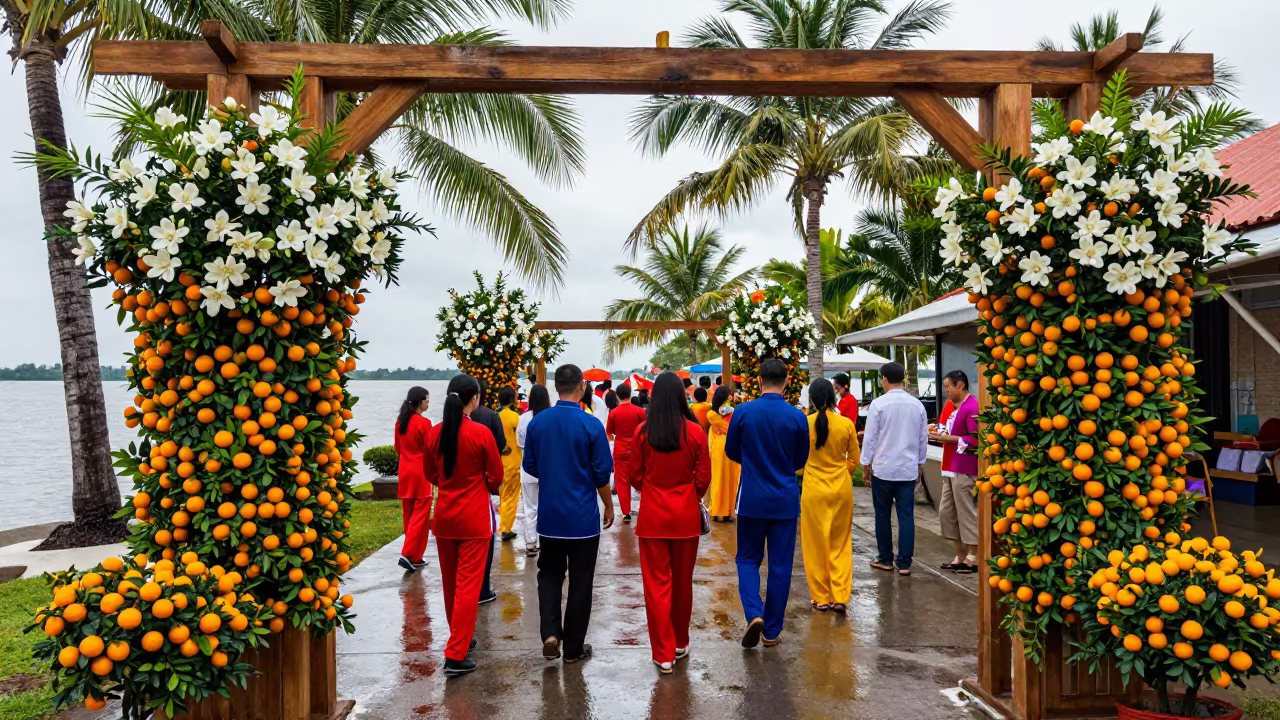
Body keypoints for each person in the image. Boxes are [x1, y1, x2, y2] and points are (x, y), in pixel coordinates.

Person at [523, 364, 616, 664]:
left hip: (550, 517)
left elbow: (530, 466)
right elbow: (602, 473)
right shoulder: (590, 425)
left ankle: (551, 633)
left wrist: (553, 473)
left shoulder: (539, 422)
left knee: (548, 574)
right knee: (580, 581)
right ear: (582, 387)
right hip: (582, 520)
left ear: (556, 387)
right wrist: (609, 505)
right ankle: (574, 648)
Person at [423, 374, 504, 676]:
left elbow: (429, 473)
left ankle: (461, 638)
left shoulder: (434, 433)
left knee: (450, 583)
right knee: (468, 586)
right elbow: (496, 476)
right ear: (473, 399)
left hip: (444, 516)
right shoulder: (481, 434)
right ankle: (456, 652)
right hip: (473, 519)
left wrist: (448, 484)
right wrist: (483, 485)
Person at [725, 358, 809, 648]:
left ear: (758, 381)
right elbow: (800, 460)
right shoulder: (797, 416)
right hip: (785, 500)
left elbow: (731, 450)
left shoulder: (743, 412)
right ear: (786, 382)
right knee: (781, 565)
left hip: (751, 498)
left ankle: (753, 613)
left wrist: (753, 462)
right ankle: (772, 630)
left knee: (747, 558)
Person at [631, 372, 712, 674]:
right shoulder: (694, 432)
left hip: (653, 516)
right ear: (681, 395)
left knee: (656, 586)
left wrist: (651, 490)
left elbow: (634, 474)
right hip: (685, 517)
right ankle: (680, 641)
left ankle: (663, 652)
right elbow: (703, 477)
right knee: (681, 584)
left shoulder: (643, 432)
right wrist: (689, 495)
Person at [862, 362, 929, 576]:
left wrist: (866, 464)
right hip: (907, 468)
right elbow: (923, 438)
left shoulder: (879, 404)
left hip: (883, 468)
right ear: (904, 379)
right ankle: (905, 562)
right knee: (906, 515)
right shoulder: (917, 405)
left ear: (884, 379)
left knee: (882, 514)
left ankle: (885, 558)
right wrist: (920, 463)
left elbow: (870, 438)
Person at [800, 379, 859, 613]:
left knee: (815, 545)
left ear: (812, 399)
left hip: (813, 490)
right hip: (841, 490)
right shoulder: (845, 424)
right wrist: (840, 471)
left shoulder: (805, 424)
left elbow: (797, 462)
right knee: (840, 543)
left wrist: (808, 470)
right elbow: (854, 460)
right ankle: (841, 596)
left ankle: (820, 597)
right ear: (835, 398)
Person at [929, 370, 980, 574]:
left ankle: (972, 556)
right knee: (947, 513)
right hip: (949, 466)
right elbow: (942, 427)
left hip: (965, 467)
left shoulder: (972, 406)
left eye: (948, 386)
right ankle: (959, 553)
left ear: (960, 385)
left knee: (966, 512)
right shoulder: (950, 406)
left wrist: (948, 439)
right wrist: (936, 432)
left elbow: (975, 440)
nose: (946, 390)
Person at [470, 379, 508, 605]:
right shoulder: (490, 417)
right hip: (482, 483)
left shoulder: (446, 425)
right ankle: (482, 589)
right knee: (485, 539)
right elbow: (500, 443)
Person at [394, 387, 433, 572]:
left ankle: (417, 556)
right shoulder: (424, 423)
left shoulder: (400, 422)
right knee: (421, 515)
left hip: (405, 471)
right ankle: (408, 553)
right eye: (426, 400)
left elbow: (397, 448)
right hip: (421, 472)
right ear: (419, 402)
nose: (428, 403)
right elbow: (431, 449)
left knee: (409, 514)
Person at [516, 385, 551, 556]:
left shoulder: (523, 418)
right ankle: (547, 538)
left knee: (530, 506)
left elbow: (520, 443)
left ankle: (531, 542)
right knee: (548, 505)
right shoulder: (551, 417)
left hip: (528, 467)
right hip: (549, 466)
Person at [606, 382, 647, 523]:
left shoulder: (613, 413)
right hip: (638, 449)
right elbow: (646, 431)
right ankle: (646, 508)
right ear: (630, 394)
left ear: (617, 396)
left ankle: (626, 512)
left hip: (621, 449)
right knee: (642, 479)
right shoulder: (640, 411)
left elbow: (609, 434)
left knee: (622, 482)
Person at [706, 386, 740, 522]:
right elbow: (732, 427)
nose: (732, 397)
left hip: (725, 445)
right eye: (730, 395)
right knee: (724, 478)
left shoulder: (715, 413)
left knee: (724, 478)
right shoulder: (717, 413)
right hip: (725, 446)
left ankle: (724, 511)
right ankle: (722, 511)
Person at [497, 387, 523, 542]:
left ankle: (503, 525)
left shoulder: (497, 416)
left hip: (500, 461)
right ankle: (506, 528)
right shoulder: (515, 417)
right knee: (512, 496)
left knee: (503, 495)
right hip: (514, 461)